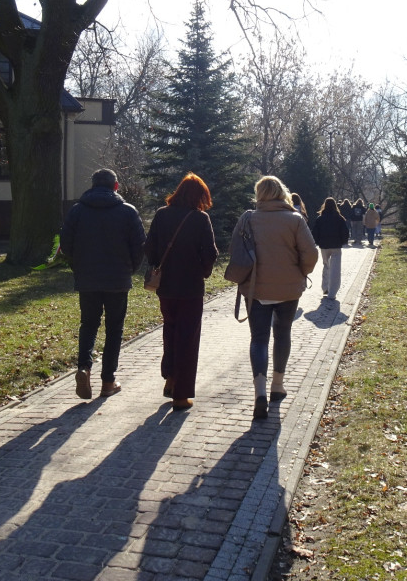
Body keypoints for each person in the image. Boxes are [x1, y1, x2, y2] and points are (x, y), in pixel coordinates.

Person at [230, 175, 318, 420]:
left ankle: (259, 391)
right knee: (283, 333)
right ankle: (277, 386)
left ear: (259, 194)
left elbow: (234, 250)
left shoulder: (248, 218)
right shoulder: (295, 220)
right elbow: (310, 254)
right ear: (282, 193)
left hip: (255, 288)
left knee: (258, 339)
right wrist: (302, 271)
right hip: (288, 289)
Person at [60, 168, 146, 400]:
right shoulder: (128, 212)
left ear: (92, 185)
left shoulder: (77, 211)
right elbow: (139, 247)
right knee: (114, 329)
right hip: (118, 280)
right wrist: (130, 269)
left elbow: (65, 245)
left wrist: (78, 266)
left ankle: (84, 367)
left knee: (88, 325)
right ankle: (108, 381)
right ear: (115, 186)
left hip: (87, 279)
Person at [144, 173, 219, 410]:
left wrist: (158, 266)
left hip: (165, 287)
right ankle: (181, 394)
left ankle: (170, 377)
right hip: (190, 287)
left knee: (170, 330)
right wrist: (203, 271)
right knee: (188, 338)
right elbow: (210, 253)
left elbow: (150, 247)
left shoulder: (161, 214)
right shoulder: (200, 219)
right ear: (200, 196)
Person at [310, 197, 350, 300]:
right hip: (336, 245)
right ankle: (332, 292)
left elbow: (315, 232)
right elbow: (345, 232)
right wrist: (343, 241)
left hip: (324, 246)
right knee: (335, 269)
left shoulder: (320, 219)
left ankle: (325, 287)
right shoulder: (339, 218)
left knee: (326, 265)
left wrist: (317, 242)